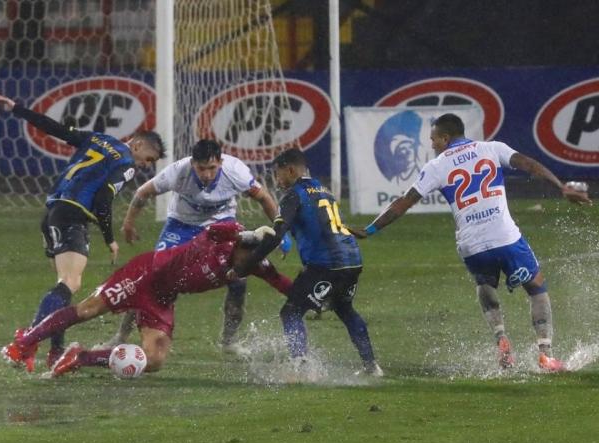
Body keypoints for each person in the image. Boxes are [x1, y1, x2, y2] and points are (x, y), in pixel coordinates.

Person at [352, 113, 592, 372]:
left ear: (445, 138)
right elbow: (529, 165)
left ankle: (501, 338)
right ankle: (545, 354)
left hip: (472, 246)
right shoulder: (492, 148)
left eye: (433, 139)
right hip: (505, 237)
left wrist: (371, 229)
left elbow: (404, 202)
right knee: (536, 288)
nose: (431, 144)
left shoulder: (436, 166)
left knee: (485, 284)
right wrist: (561, 187)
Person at [0, 91, 165, 367]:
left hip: (52, 212)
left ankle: (54, 351)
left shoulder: (98, 139)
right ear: (139, 144)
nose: (145, 166)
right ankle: (25, 342)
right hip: (73, 216)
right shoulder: (125, 163)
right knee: (69, 284)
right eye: (148, 159)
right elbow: (103, 200)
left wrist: (18, 108)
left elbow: (55, 129)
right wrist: (110, 239)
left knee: (65, 284)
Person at [1, 221, 292, 377]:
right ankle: (23, 342)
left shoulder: (255, 264)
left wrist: (316, 295)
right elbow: (215, 229)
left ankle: (80, 357)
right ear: (241, 245)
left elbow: (281, 283)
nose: (247, 265)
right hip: (144, 274)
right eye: (248, 255)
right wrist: (248, 232)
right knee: (88, 309)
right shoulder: (222, 240)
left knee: (154, 360)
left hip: (163, 297)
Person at [98, 139, 286, 357]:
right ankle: (120, 336)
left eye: (212, 168)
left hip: (222, 225)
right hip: (181, 226)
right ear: (192, 163)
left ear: (221, 162)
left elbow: (263, 198)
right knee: (152, 278)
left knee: (238, 281)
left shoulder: (236, 171)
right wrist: (128, 224)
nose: (206, 174)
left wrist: (279, 232)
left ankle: (229, 341)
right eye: (201, 168)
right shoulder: (179, 171)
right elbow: (143, 192)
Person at [228, 148, 382, 376]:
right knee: (345, 308)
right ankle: (372, 366)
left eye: (277, 174)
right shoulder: (325, 191)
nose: (277, 180)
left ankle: (300, 365)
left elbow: (277, 235)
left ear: (290, 170)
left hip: (327, 265)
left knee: (290, 312)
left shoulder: (293, 195)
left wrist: (245, 265)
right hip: (352, 261)